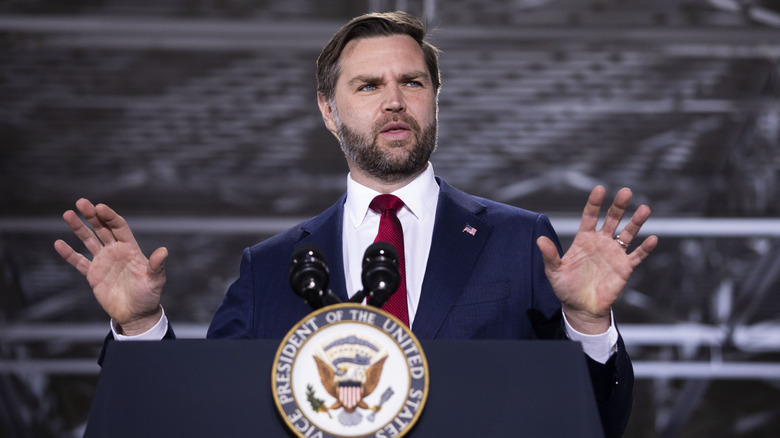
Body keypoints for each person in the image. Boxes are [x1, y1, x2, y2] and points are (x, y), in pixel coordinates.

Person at [54, 11, 657, 438]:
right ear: (328, 110)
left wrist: (586, 323)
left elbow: (594, 421)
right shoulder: (269, 268)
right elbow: (203, 411)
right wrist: (138, 329)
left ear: (435, 99)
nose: (394, 100)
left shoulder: (519, 241)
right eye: (368, 85)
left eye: (412, 82)